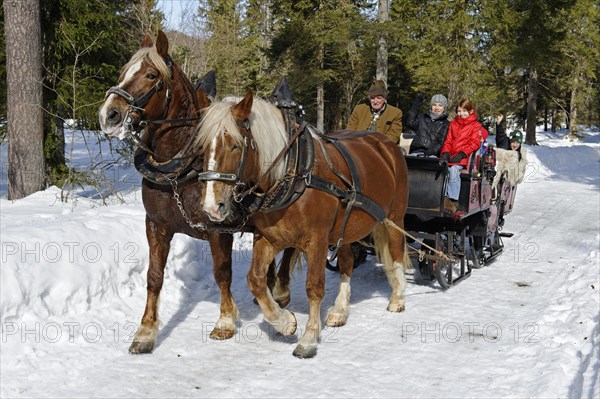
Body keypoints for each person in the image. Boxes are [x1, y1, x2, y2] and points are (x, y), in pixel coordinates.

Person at [440, 99, 489, 212]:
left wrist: (462, 154)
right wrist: (446, 152)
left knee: (453, 171)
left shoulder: (475, 126)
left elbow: (474, 143)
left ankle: (453, 200)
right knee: (443, 169)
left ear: (471, 111)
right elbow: (448, 141)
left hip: (464, 157)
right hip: (451, 155)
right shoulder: (453, 124)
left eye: (464, 111)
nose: (461, 114)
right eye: (459, 111)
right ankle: (442, 197)